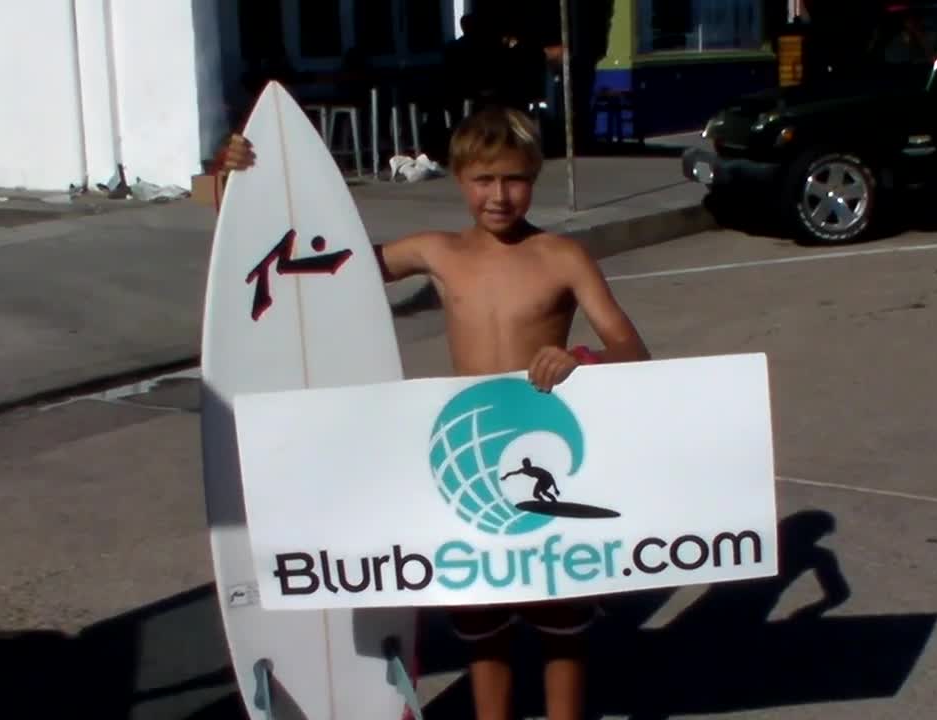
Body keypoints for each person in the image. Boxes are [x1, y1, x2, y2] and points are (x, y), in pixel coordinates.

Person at [218, 107, 651, 720]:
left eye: (514, 179)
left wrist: (580, 357)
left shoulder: (563, 257)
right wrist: (243, 188)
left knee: (561, 620)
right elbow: (312, 266)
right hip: (467, 454)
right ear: (457, 178)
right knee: (483, 620)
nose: (498, 196)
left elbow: (633, 350)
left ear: (535, 176)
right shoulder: (437, 251)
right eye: (482, 180)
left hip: (542, 445)